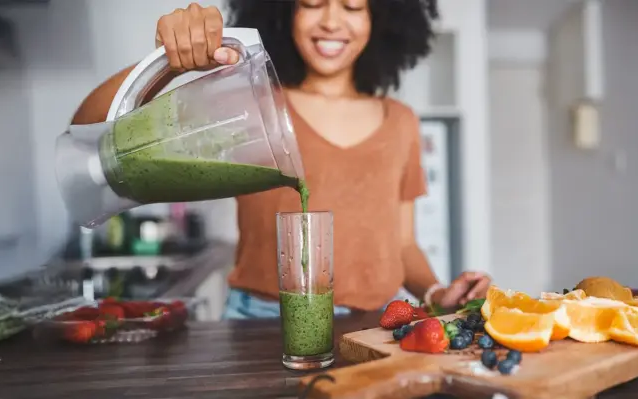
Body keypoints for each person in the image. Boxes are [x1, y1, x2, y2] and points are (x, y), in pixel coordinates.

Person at [71, 0, 490, 319]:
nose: (331, 20)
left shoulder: (400, 121)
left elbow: (402, 243)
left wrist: (436, 293)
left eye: (352, 6)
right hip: (259, 323)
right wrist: (171, 62)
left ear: (380, 18)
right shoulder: (248, 101)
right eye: (311, 2)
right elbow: (88, 130)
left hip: (379, 325)